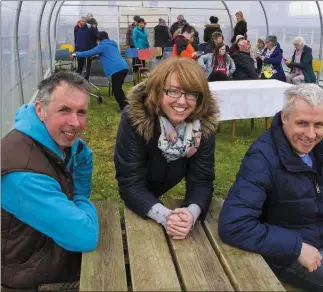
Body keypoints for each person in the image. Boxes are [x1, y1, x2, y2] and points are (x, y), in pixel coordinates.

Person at [218, 83, 323, 292]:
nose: (311, 135)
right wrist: (297, 247)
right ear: (285, 118)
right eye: (302, 123)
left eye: (319, 125)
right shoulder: (263, 157)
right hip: (287, 253)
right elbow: (234, 224)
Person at [1, 72, 99, 290]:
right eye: (65, 110)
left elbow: (83, 155)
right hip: (28, 276)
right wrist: (81, 200)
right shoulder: (22, 174)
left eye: (81, 112)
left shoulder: (48, 137)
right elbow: (85, 236)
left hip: (44, 244)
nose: (75, 123)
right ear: (40, 109)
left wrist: (76, 201)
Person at [114, 57, 219, 240]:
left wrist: (190, 213)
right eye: (173, 91)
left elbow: (202, 180)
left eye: (191, 94)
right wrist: (166, 216)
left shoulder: (203, 125)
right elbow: (130, 182)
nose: (182, 102)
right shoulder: (134, 120)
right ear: (157, 91)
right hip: (142, 187)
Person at [73, 31, 129, 111]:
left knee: (116, 90)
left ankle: (124, 108)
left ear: (99, 38)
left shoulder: (102, 46)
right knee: (118, 88)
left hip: (117, 69)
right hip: (124, 67)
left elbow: (90, 52)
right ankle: (127, 105)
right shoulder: (112, 44)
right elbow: (108, 55)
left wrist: (77, 54)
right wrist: (98, 57)